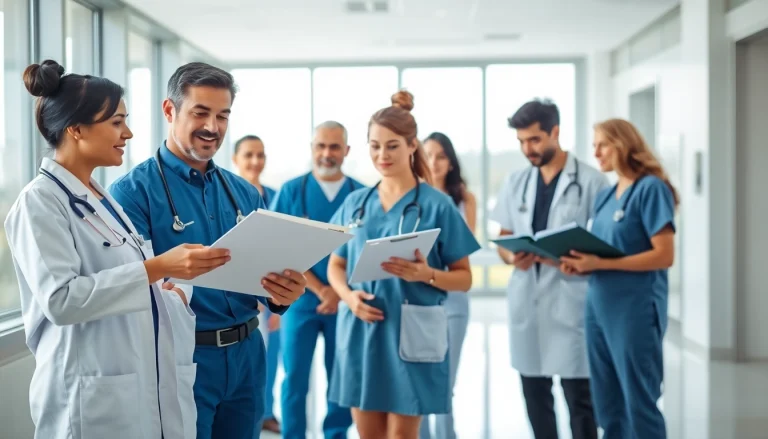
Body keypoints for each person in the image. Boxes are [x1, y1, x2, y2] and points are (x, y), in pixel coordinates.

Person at [4, 60, 232, 439]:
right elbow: (61, 300)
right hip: (89, 395)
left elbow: (125, 279)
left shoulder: (100, 198)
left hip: (133, 382)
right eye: (116, 122)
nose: (127, 133)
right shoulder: (39, 202)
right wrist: (157, 268)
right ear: (76, 129)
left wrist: (169, 292)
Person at [108, 62, 307, 439]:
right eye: (200, 113)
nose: (212, 127)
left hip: (248, 357)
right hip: (183, 358)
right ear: (170, 110)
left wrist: (282, 294)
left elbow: (262, 280)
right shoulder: (132, 193)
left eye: (222, 115)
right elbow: (127, 286)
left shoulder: (244, 192)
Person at [327, 90, 481, 439]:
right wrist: (349, 298)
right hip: (362, 328)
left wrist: (427, 274)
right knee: (368, 435)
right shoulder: (356, 203)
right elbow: (336, 265)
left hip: (411, 330)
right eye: (374, 146)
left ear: (413, 146)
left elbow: (464, 278)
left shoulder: (437, 205)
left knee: (401, 436)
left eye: (392, 146)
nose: (382, 155)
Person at [490, 99, 607, 439]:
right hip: (528, 298)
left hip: (572, 301)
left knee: (580, 400)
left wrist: (570, 259)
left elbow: (604, 244)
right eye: (522, 141)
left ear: (555, 132)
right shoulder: (516, 182)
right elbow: (504, 239)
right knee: (534, 395)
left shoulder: (592, 181)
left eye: (535, 140)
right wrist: (511, 256)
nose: (528, 149)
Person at [560, 118, 677, 439]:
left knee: (639, 403)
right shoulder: (606, 196)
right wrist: (583, 264)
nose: (596, 152)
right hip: (598, 308)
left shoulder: (650, 189)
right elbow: (605, 251)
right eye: (594, 145)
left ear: (623, 145)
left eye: (603, 145)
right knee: (607, 404)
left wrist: (600, 262)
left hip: (634, 310)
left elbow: (664, 255)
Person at [270, 120, 364, 439]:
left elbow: (365, 250)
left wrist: (337, 291)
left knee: (341, 378)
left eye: (334, 146)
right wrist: (323, 289)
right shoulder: (291, 191)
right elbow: (279, 246)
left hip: (346, 301)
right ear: (312, 149)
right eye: (320, 146)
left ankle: (336, 434)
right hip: (298, 300)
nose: (327, 153)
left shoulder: (362, 195)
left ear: (346, 150)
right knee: (294, 378)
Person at [419, 132, 476, 439]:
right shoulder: (415, 198)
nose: (434, 162)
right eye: (428, 155)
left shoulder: (464, 199)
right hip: (420, 299)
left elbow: (462, 250)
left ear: (451, 162)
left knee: (445, 384)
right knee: (420, 383)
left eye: (441, 156)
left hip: (453, 299)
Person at [231, 134, 282, 434]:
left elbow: (281, 249)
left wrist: (276, 303)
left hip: (272, 292)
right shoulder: (228, 196)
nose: (255, 161)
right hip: (241, 295)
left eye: (260, 155)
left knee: (270, 358)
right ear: (235, 159)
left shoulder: (275, 196)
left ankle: (267, 411)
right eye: (248, 155)